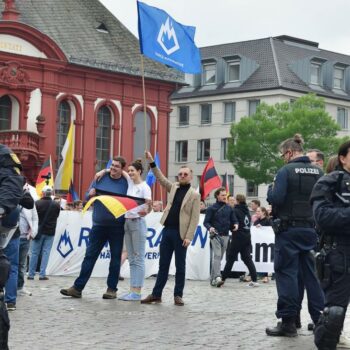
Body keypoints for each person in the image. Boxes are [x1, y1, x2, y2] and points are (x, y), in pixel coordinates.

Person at [265, 134, 324, 338]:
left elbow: (277, 198)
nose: (283, 158)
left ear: (289, 152)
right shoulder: (319, 171)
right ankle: (320, 321)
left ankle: (288, 322)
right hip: (311, 230)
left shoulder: (285, 171)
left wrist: (269, 191)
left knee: (286, 274)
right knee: (312, 277)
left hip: (288, 231)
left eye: (283, 154)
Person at [60, 157, 128, 299]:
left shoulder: (126, 183)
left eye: (117, 166)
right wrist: (89, 194)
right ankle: (77, 288)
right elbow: (86, 198)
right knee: (89, 257)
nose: (113, 168)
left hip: (117, 227)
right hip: (98, 225)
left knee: (115, 259)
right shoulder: (100, 178)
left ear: (122, 169)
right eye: (112, 165)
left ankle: (111, 289)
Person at [141, 151, 200, 306]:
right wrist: (152, 161)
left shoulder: (194, 194)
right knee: (163, 265)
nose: (182, 176)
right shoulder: (173, 187)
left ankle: (178, 295)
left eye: (185, 174)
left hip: (181, 235)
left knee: (180, 266)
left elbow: (194, 218)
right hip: (167, 231)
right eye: (180, 174)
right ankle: (156, 294)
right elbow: (160, 177)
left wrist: (189, 236)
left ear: (191, 177)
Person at [310, 140, 350, 349]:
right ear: (343, 158)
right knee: (335, 312)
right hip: (340, 253)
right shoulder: (329, 182)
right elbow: (323, 217)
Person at [111, 159, 151, 301]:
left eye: (133, 170)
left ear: (139, 171)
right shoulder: (129, 183)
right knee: (131, 258)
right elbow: (120, 170)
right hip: (127, 222)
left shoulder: (145, 187)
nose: (130, 173)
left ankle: (137, 292)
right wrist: (102, 171)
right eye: (129, 171)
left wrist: (147, 211)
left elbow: (149, 204)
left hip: (138, 222)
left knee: (138, 258)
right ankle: (132, 290)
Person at [221, 194, 258, 287]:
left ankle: (222, 279)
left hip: (237, 238)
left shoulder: (235, 210)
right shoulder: (247, 211)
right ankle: (254, 279)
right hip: (247, 237)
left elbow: (233, 223)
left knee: (230, 258)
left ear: (237, 201)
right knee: (247, 258)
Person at [204, 187, 238, 287]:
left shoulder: (229, 208)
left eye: (225, 195)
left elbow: (234, 219)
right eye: (222, 195)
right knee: (217, 255)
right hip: (215, 235)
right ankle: (218, 277)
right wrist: (210, 228)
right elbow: (206, 222)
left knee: (219, 257)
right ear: (217, 196)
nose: (224, 197)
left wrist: (236, 224)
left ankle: (213, 279)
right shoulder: (211, 208)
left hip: (226, 235)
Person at [28, 186, 60, 280]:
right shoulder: (56, 204)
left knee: (34, 253)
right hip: (50, 231)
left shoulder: (37, 203)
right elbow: (57, 216)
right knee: (46, 253)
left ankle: (31, 274)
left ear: (43, 193)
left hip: (38, 231)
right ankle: (42, 274)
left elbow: (32, 217)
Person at [17, 186, 38, 296]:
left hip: (25, 237)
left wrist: (33, 232)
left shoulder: (30, 201)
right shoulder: (10, 197)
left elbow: (35, 218)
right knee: (10, 264)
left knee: (22, 264)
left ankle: (20, 287)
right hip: (11, 237)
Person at [253, 207, 272, 283]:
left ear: (263, 212)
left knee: (265, 258)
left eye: (258, 211)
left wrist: (262, 228)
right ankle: (254, 274)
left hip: (266, 243)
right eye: (256, 211)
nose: (256, 212)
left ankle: (266, 276)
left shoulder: (268, 220)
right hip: (258, 243)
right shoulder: (256, 221)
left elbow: (270, 230)